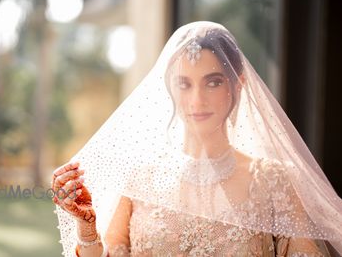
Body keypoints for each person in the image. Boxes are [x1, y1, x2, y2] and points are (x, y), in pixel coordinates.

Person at [51, 21, 342, 256]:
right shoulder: (140, 178)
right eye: (184, 84)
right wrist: (87, 230)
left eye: (213, 82)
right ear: (170, 90)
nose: (197, 100)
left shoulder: (274, 182)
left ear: (238, 85)